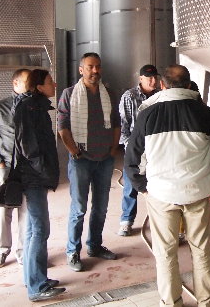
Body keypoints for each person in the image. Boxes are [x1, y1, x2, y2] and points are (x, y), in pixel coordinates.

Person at [125, 64, 210, 307]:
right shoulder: (202, 112)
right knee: (201, 248)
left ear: (162, 85)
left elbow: (132, 157)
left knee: (165, 252)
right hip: (196, 192)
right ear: (188, 84)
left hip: (161, 194)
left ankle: (171, 302)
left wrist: (143, 186)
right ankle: (207, 300)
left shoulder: (147, 114)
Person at [58, 52, 120, 272]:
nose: (95, 71)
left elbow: (116, 123)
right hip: (81, 160)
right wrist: (74, 151)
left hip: (105, 159)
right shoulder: (69, 94)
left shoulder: (108, 93)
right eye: (90, 67)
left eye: (98, 66)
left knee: (101, 207)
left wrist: (113, 148)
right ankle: (72, 251)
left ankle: (94, 245)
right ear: (81, 69)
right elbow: (62, 126)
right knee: (79, 208)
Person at [13, 69, 66, 302]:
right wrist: (44, 171)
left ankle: (34, 278)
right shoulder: (29, 107)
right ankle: (37, 287)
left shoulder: (36, 106)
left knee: (33, 229)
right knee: (39, 229)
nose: (54, 84)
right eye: (49, 81)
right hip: (33, 177)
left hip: (35, 175)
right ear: (38, 86)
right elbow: (29, 147)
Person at [0, 68, 30, 268]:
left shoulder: (34, 107)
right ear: (15, 83)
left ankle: (23, 252)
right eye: (27, 81)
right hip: (6, 167)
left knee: (26, 211)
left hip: (28, 169)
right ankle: (2, 250)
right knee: (3, 210)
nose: (31, 84)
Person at [117, 64, 159, 237]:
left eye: (155, 77)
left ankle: (159, 221)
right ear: (141, 79)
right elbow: (123, 124)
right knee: (130, 185)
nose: (153, 81)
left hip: (155, 147)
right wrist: (130, 148)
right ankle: (126, 221)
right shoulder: (129, 96)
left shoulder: (160, 95)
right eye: (149, 78)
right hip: (135, 148)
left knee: (157, 186)